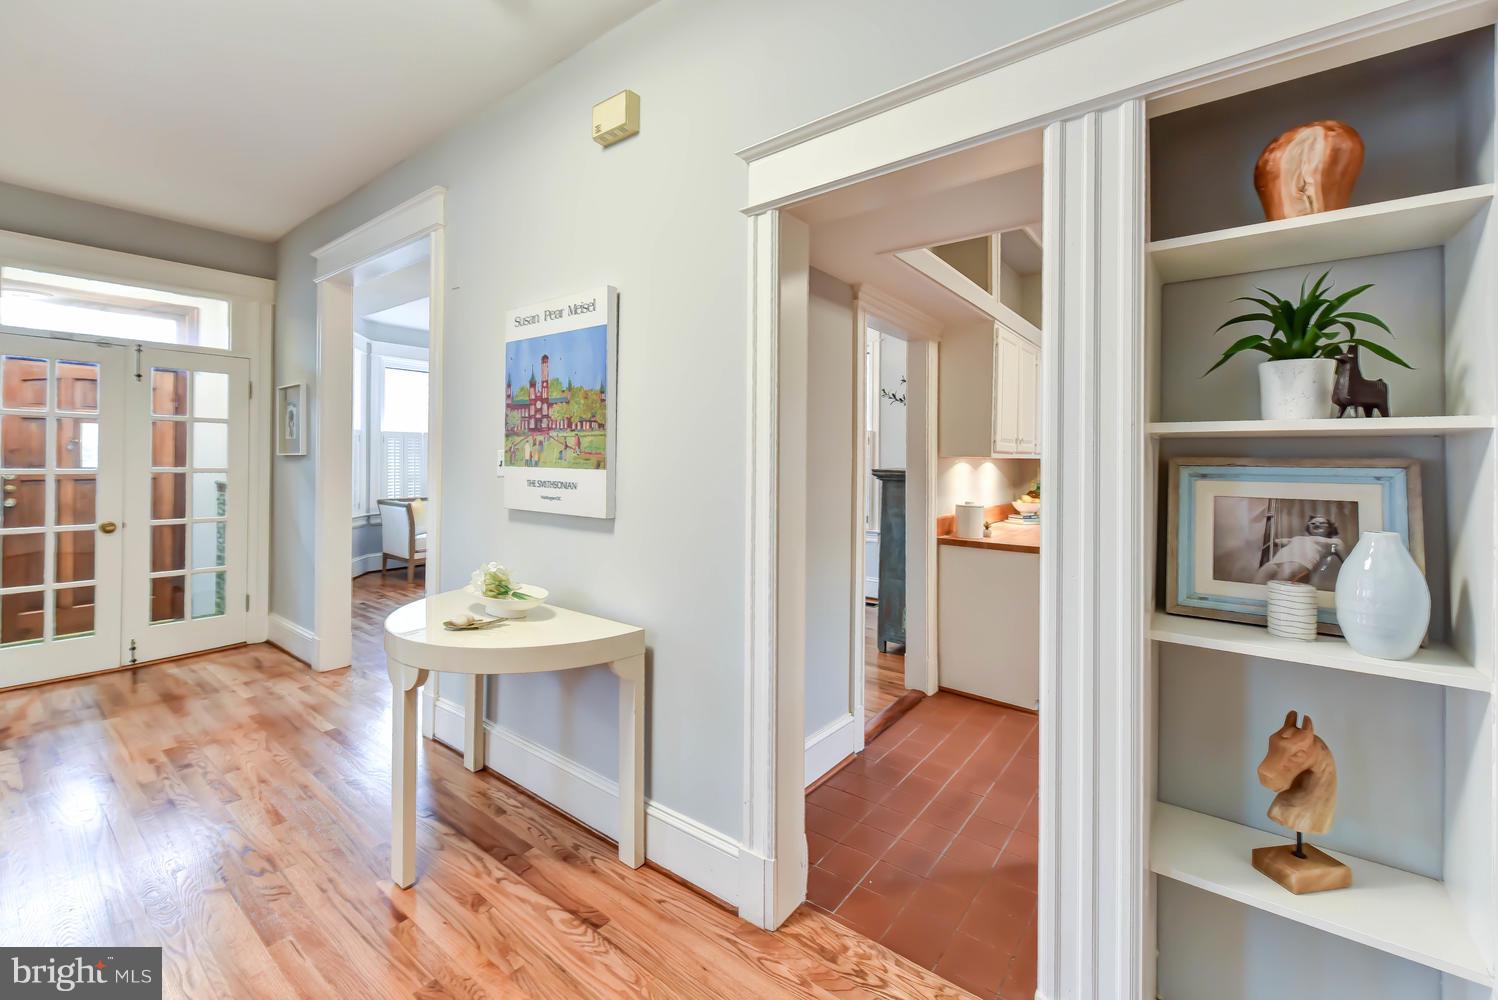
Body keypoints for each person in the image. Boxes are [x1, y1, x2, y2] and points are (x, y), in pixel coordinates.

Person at [1254, 514, 1342, 585]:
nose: (1317, 524)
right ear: (1308, 527)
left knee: (1279, 590)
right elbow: (1271, 542)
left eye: (1322, 523)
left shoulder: (1333, 542)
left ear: (1329, 528)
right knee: (1256, 586)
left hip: (1297, 563)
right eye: (1313, 523)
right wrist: (1267, 523)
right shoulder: (1296, 538)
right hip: (1274, 563)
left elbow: (1347, 562)